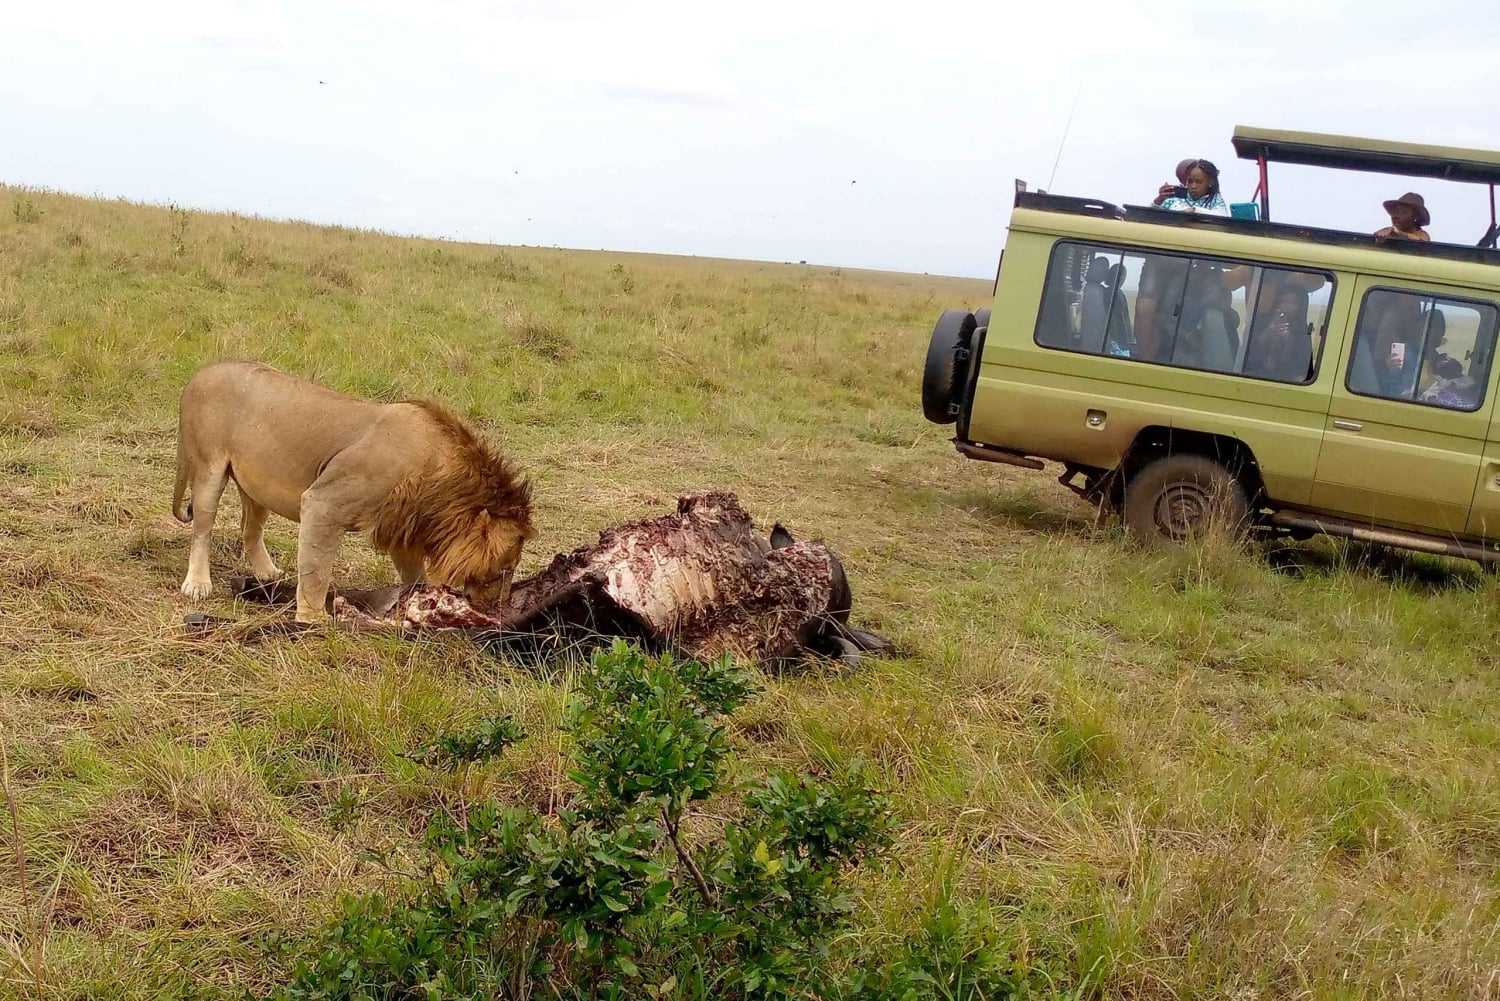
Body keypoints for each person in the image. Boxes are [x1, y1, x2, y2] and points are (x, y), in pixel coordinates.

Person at [1243, 284, 1313, 382]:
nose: (1286, 306)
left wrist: (1288, 343)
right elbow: (1246, 353)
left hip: (1285, 380)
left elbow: (1301, 367)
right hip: (1254, 375)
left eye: (1293, 302)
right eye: (1283, 301)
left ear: (1300, 307)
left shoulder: (1303, 333)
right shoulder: (1260, 322)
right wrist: (1267, 333)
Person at [1157, 159, 1230, 217]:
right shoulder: (1173, 198)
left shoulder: (1215, 200)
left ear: (1210, 182)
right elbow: (1154, 219)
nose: (1193, 186)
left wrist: (1195, 210)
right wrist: (1158, 201)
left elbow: (1223, 218)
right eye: (1190, 181)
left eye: (1198, 182)